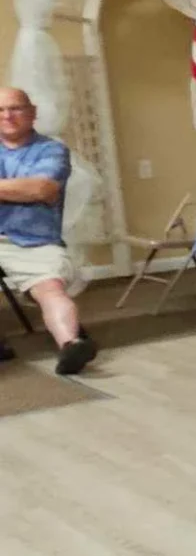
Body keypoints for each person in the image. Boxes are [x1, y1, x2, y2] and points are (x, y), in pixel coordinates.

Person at [0, 87, 96, 374]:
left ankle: (71, 345)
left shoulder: (52, 150)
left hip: (34, 241)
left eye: (15, 108)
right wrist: (18, 189)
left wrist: (30, 189)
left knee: (49, 289)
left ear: (32, 113)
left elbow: (42, 189)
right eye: (1, 110)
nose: (7, 116)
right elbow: (28, 189)